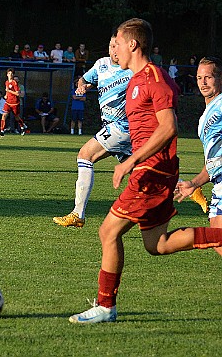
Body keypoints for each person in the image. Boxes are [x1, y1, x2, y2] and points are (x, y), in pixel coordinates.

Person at [68, 18, 222, 325]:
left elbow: (168, 127)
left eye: (119, 44)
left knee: (108, 231)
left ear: (133, 45)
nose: (115, 51)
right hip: (154, 170)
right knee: (157, 245)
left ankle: (105, 305)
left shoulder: (152, 79)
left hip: (152, 171)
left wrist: (128, 161)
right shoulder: (139, 79)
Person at [53, 35, 133, 227]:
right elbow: (85, 79)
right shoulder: (101, 64)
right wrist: (82, 86)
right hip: (112, 128)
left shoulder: (133, 70)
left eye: (117, 46)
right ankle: (185, 186)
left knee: (85, 155)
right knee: (143, 170)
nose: (114, 50)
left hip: (122, 127)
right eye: (111, 45)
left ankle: (78, 214)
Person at [175, 56, 222, 257]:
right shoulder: (205, 115)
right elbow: (212, 160)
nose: (203, 82)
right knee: (217, 238)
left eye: (208, 77)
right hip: (218, 181)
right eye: (199, 77)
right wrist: (195, 183)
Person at [0, 68, 27, 137]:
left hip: (15, 103)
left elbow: (18, 94)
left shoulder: (14, 83)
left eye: (11, 74)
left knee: (16, 117)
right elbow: (7, 90)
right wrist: (6, 95)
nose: (10, 75)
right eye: (9, 73)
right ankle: (2, 130)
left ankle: (22, 126)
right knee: (4, 115)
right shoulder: (6, 82)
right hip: (8, 102)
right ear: (7, 74)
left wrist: (9, 91)